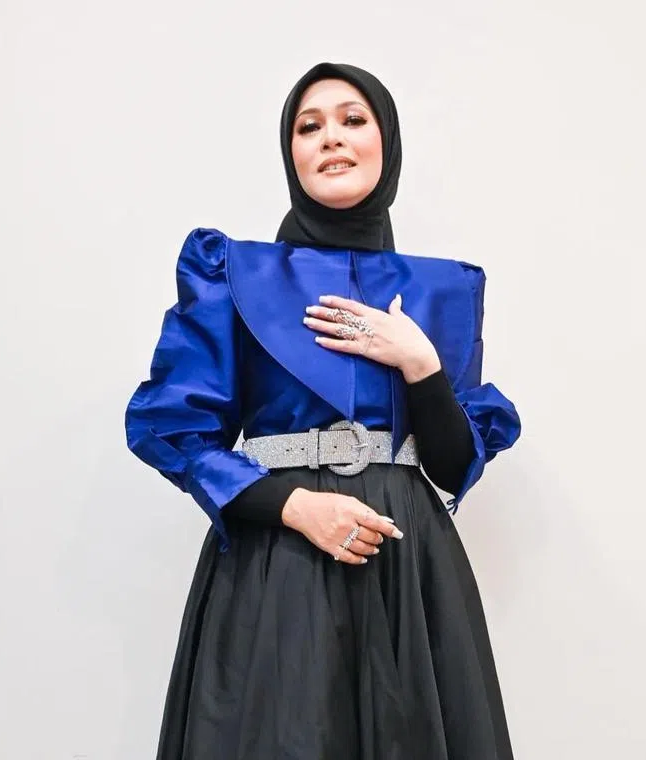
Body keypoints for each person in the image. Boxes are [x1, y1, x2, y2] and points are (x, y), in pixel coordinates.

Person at [125, 62, 522, 760]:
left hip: (408, 565)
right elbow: (173, 429)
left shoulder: (445, 289)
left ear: (386, 141)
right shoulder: (233, 272)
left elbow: (455, 465)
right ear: (292, 154)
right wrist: (295, 506)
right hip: (279, 559)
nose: (331, 138)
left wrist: (421, 365)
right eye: (309, 127)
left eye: (352, 120)